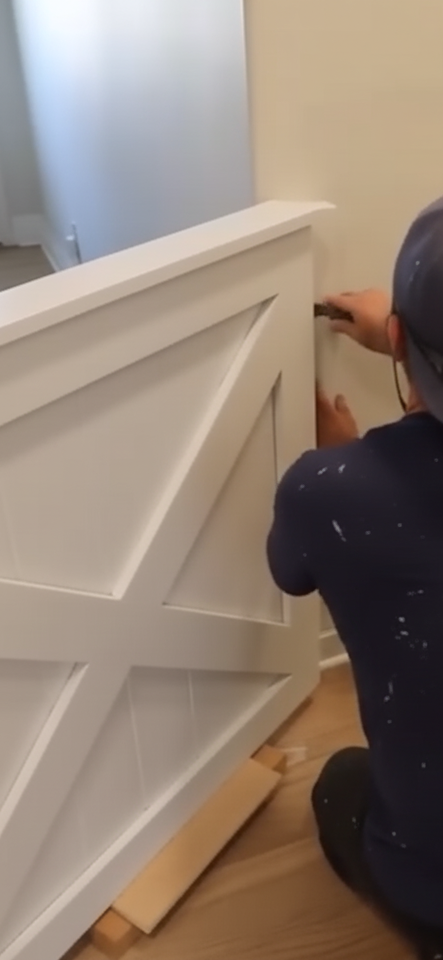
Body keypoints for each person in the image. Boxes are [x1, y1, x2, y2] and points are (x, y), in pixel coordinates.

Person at [267, 197, 443, 959]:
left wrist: (350, 457)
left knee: (341, 777)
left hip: (432, 892)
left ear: (396, 335)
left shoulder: (331, 492)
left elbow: (291, 573)